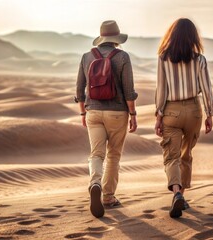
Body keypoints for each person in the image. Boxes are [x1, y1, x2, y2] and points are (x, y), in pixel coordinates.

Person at [76, 20, 138, 218]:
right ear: (116, 39)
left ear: (102, 37)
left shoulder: (87, 57)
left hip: (93, 112)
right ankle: (108, 197)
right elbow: (129, 90)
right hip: (118, 113)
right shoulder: (122, 57)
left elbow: (79, 90)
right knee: (113, 155)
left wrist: (83, 113)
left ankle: (95, 182)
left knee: (96, 154)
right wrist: (133, 114)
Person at [155, 18, 213, 218]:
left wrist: (158, 115)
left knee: (171, 156)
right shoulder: (200, 59)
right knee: (186, 155)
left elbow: (161, 90)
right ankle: (180, 196)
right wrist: (210, 114)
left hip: (171, 110)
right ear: (193, 37)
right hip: (194, 110)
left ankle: (177, 193)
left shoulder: (163, 58)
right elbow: (207, 89)